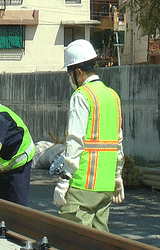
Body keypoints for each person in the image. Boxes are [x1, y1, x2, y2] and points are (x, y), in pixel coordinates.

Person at [53, 39, 125, 232]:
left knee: (73, 243)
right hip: (106, 187)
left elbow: (75, 141)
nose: (70, 78)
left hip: (83, 185)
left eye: (69, 73)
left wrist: (64, 179)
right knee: (99, 245)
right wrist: (118, 176)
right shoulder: (113, 96)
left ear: (78, 72)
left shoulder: (82, 96)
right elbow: (118, 142)